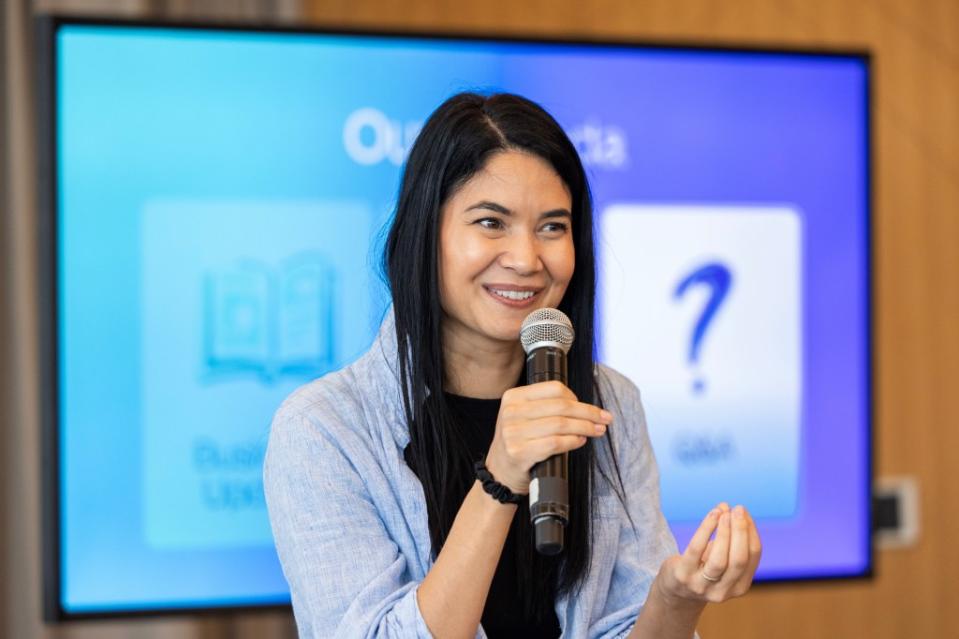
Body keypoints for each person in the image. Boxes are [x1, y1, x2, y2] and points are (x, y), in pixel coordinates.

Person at [264, 92, 761, 639]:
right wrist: (499, 479)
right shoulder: (324, 429)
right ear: (424, 235)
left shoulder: (608, 401)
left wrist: (673, 600)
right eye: (491, 223)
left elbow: (622, 626)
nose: (527, 259)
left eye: (553, 227)